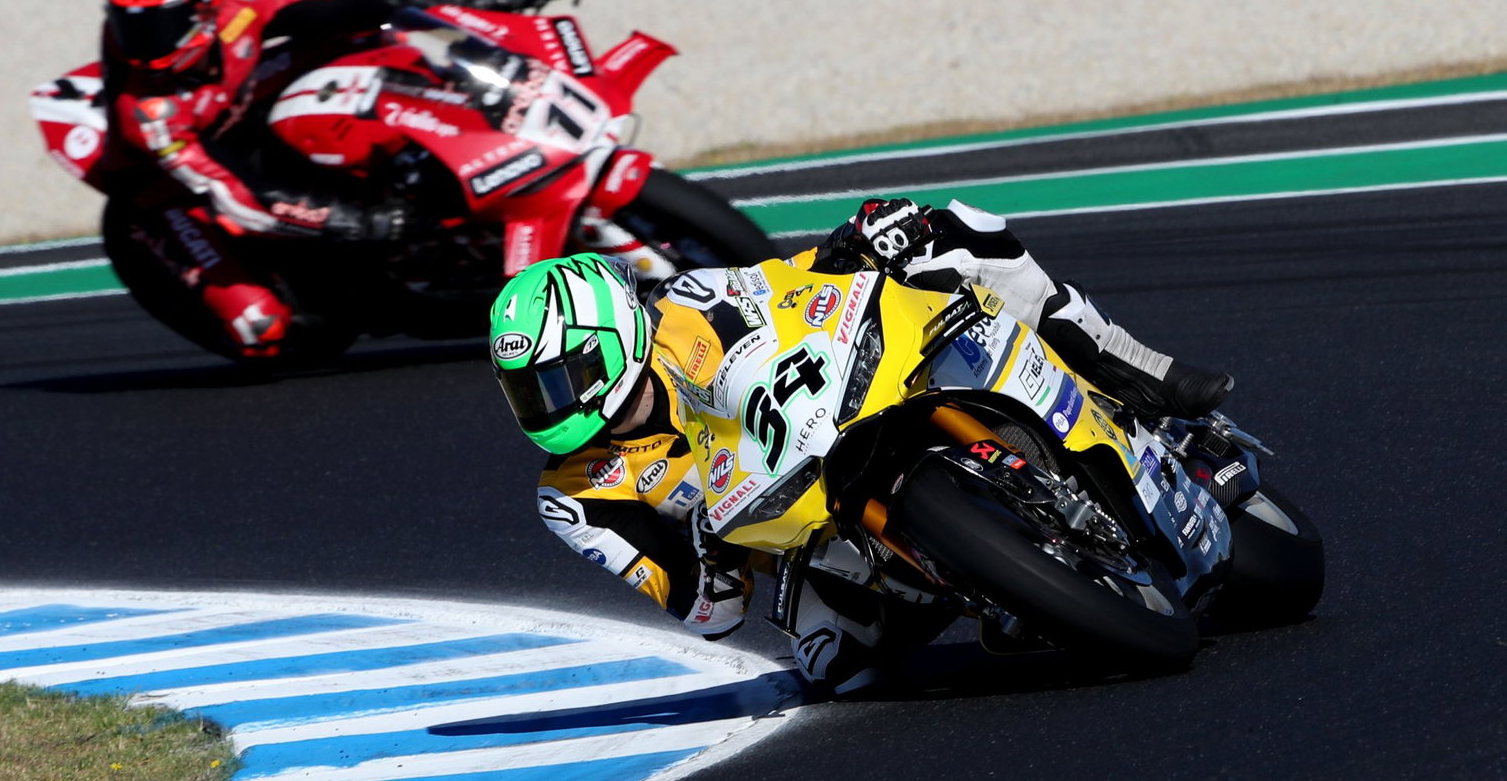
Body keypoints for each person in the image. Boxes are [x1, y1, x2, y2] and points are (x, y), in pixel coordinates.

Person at [487, 197, 1233, 695]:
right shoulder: (575, 499)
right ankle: (999, 584)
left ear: (613, 338)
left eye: (559, 379)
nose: (550, 406)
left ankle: (1134, 369)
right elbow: (708, 615)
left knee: (954, 234)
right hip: (804, 544)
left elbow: (787, 283)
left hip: (840, 407)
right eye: (529, 392)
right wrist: (713, 559)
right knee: (836, 668)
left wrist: (858, 239)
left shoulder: (691, 303)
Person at [45, 0, 554, 359]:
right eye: (130, 24)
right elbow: (238, 197)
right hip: (170, 191)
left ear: (205, 4)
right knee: (262, 331)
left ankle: (458, 125)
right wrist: (354, 221)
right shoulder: (148, 114)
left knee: (370, 36)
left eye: (158, 24)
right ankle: (359, 291)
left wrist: (457, 1)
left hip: (237, 110)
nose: (144, 42)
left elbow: (342, 2)